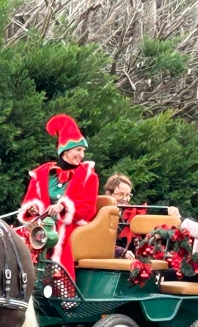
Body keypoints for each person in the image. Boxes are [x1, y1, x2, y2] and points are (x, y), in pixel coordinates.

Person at [19, 114, 98, 279]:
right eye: (78, 150)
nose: (82, 155)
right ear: (65, 151)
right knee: (18, 238)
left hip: (71, 226)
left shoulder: (89, 175)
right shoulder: (43, 173)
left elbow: (88, 208)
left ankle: (59, 285)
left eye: (83, 151)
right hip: (42, 224)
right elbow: (29, 199)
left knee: (60, 243)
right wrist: (33, 208)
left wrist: (63, 207)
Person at [104, 173, 136, 260]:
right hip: (105, 259)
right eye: (121, 194)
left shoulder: (131, 213)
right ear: (108, 194)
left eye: (128, 195)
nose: (125, 199)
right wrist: (121, 252)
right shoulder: (100, 213)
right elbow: (98, 241)